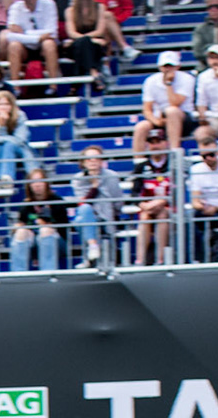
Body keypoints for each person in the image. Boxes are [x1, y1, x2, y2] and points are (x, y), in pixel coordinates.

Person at [70, 145, 124, 265]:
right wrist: (94, 186)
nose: (93, 161)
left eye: (96, 158)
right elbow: (83, 202)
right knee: (85, 211)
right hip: (88, 215)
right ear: (83, 162)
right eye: (89, 159)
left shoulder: (111, 176)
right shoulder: (78, 179)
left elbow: (118, 201)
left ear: (101, 161)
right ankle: (93, 246)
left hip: (107, 214)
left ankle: (89, 259)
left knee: (81, 221)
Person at [10, 168, 70, 270]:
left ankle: (48, 272)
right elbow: (22, 223)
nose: (37, 185)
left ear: (46, 183)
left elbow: (63, 228)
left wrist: (44, 224)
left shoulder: (57, 201)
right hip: (33, 243)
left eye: (40, 181)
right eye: (33, 182)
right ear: (29, 185)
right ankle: (18, 273)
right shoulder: (26, 204)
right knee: (21, 232)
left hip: (57, 243)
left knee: (45, 230)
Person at [2, 0, 61, 83]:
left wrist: (24, 33)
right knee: (13, 46)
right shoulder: (15, 7)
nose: (26, 1)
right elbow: (11, 36)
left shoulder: (49, 4)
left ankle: (53, 85)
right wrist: (38, 38)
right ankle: (15, 87)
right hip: (25, 48)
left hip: (43, 47)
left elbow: (52, 33)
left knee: (49, 44)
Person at [132, 129, 175, 265]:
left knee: (162, 214)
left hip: (170, 208)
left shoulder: (174, 164)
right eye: (152, 143)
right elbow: (134, 193)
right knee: (144, 216)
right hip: (148, 208)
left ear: (166, 143)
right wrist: (142, 204)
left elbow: (178, 190)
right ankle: (140, 260)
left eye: (158, 142)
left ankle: (160, 259)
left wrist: (161, 201)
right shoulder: (141, 167)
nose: (155, 146)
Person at [134, 50, 190, 149]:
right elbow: (147, 109)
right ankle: (138, 158)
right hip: (160, 117)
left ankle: (174, 150)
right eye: (165, 66)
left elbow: (175, 103)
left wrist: (169, 84)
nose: (168, 69)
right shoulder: (151, 81)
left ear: (178, 66)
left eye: (171, 66)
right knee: (141, 127)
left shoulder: (187, 79)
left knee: (172, 111)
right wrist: (156, 121)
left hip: (183, 117)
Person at [0, 88, 32, 188]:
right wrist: (0, 125)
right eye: (0, 104)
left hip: (20, 149)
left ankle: (7, 177)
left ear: (12, 105)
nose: (3, 107)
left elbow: (20, 140)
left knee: (8, 145)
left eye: (6, 104)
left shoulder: (20, 115)